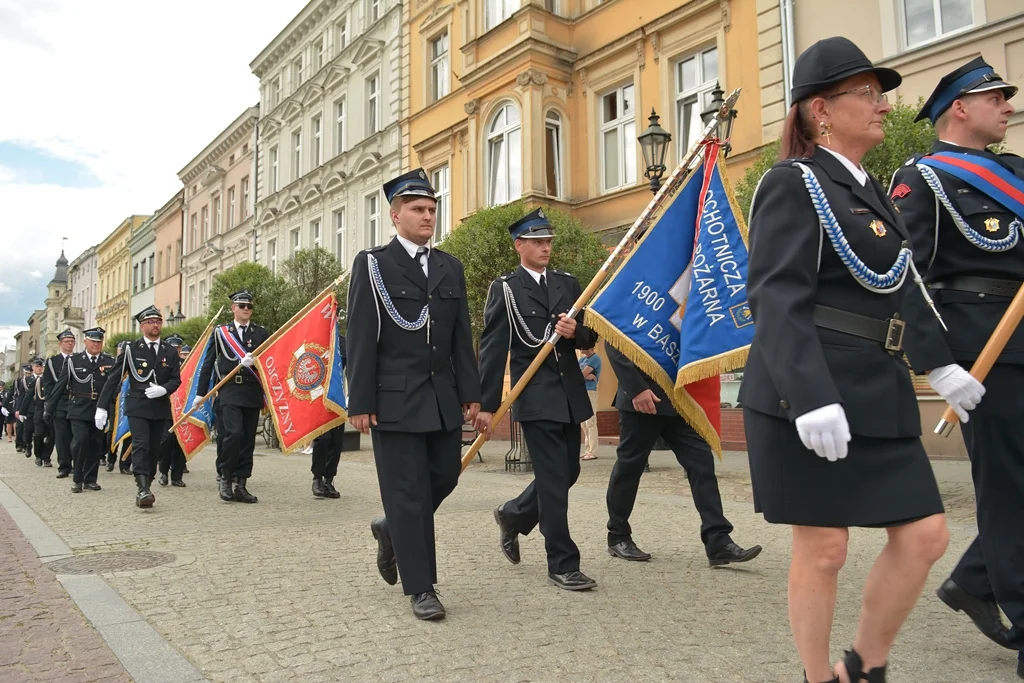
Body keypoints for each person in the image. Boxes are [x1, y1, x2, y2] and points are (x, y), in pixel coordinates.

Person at [738, 37, 982, 683]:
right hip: (808, 391)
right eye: (868, 94)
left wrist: (942, 364)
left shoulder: (872, 188)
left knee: (927, 533)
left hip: (876, 386)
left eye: (882, 94)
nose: (883, 105)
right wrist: (810, 393)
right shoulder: (792, 182)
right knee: (824, 548)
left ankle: (863, 663)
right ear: (821, 109)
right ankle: (821, 677)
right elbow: (777, 296)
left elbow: (904, 284)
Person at [889, 57, 1024, 677]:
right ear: (960, 108)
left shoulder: (1018, 173)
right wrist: (938, 365)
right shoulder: (921, 179)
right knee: (1009, 487)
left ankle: (973, 578)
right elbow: (904, 278)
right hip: (984, 352)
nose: (1009, 105)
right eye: (997, 96)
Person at [347, 168, 481, 620]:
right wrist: (360, 400)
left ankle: (391, 529)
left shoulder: (450, 266)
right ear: (395, 215)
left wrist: (471, 391)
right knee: (406, 493)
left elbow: (462, 336)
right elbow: (361, 335)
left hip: (442, 397)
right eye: (418, 209)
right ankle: (421, 587)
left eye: (432, 209)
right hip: (394, 400)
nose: (428, 216)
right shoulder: (373, 264)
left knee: (444, 477)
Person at [475, 208, 599, 592]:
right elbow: (494, 347)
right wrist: (487, 403)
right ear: (519, 246)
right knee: (552, 478)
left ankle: (513, 515)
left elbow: (591, 337)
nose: (546, 247)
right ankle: (562, 562)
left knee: (569, 472)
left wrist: (575, 330)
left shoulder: (567, 282)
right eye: (538, 242)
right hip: (536, 395)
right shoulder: (507, 288)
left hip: (570, 394)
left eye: (548, 241)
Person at [603, 344, 763, 566]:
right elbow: (615, 343)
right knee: (630, 468)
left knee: (702, 466)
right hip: (643, 399)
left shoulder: (689, 307)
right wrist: (635, 388)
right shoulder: (632, 306)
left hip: (683, 399)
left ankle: (718, 540)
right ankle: (618, 535)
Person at [97, 306, 181, 508]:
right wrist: (101, 407)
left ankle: (147, 481)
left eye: (158, 322)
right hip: (138, 405)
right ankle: (142, 487)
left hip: (159, 406)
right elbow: (113, 379)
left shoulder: (169, 351)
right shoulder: (131, 350)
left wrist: (164, 389)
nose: (155, 325)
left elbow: (176, 379)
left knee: (154, 448)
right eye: (151, 322)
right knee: (141, 444)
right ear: (142, 326)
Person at [197, 290, 269, 503]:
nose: (246, 309)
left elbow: (270, 362)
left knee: (247, 440)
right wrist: (201, 394)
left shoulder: (260, 333)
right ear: (233, 308)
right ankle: (225, 477)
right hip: (229, 391)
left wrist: (255, 362)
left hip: (251, 391)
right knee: (233, 434)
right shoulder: (221, 333)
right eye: (242, 306)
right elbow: (208, 363)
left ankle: (241, 483)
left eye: (249, 306)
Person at [46, 327, 115, 493]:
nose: (96, 344)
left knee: (95, 444)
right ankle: (77, 478)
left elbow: (114, 387)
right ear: (85, 342)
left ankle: (90, 479)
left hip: (99, 408)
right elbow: (60, 385)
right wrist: (50, 408)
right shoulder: (74, 361)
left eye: (99, 341)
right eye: (93, 341)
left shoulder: (109, 361)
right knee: (80, 440)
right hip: (78, 407)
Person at [311, 335, 346, 499]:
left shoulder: (344, 341)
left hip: (337, 398)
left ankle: (329, 479)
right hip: (318, 397)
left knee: (336, 441)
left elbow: (351, 368)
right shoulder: (316, 337)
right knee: (322, 440)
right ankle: (317, 478)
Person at [44, 329, 77, 478]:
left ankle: (76, 464)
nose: (70, 344)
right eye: (67, 341)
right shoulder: (52, 362)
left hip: (76, 402)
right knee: (62, 437)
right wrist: (50, 404)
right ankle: (64, 466)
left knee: (76, 436)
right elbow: (49, 384)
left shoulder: (78, 359)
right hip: (60, 403)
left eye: (72, 341)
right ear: (60, 344)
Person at [157, 334, 188, 487]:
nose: (175, 350)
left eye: (178, 347)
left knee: (180, 442)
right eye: (173, 347)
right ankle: (163, 471)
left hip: (182, 408)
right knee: (166, 441)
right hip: (167, 407)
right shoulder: (161, 362)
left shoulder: (187, 363)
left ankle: (177, 475)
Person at [17, 358, 47, 466]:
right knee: (29, 430)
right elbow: (24, 396)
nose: (39, 368)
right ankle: (28, 444)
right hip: (30, 409)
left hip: (43, 408)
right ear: (33, 367)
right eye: (37, 366)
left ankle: (43, 456)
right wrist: (21, 411)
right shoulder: (27, 380)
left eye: (41, 366)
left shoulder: (47, 379)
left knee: (42, 434)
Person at [577, 346, 601, 460]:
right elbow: (574, 374)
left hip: (590, 391)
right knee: (584, 423)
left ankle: (593, 451)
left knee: (591, 422)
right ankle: (587, 450)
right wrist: (586, 375)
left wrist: (584, 375)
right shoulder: (582, 360)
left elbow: (580, 375)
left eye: (582, 346)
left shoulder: (595, 359)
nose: (580, 348)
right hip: (581, 391)